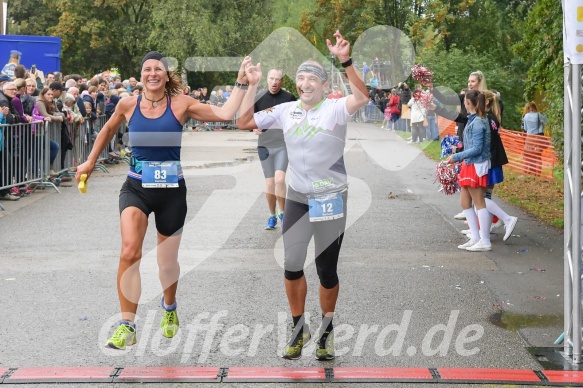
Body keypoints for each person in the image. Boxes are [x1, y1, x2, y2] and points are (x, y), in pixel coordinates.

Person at [74, 51, 257, 350]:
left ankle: (169, 307)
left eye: (158, 69)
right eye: (147, 69)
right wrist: (90, 162)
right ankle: (127, 325)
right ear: (142, 75)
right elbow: (108, 129)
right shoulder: (128, 104)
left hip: (172, 191)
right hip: (136, 187)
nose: (152, 74)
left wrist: (240, 82)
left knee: (166, 262)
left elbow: (226, 115)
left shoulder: (181, 104)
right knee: (129, 251)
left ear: (166, 74)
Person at [238, 30, 369, 361]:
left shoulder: (336, 109)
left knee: (326, 271)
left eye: (313, 78)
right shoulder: (286, 110)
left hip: (330, 197)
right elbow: (242, 122)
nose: (306, 83)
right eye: (301, 78)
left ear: (325, 85)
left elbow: (363, 97)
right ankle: (299, 329)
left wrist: (345, 61)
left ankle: (326, 332)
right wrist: (251, 84)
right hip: (297, 196)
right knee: (292, 265)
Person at [445, 90, 492, 252]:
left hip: (476, 164)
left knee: (479, 203)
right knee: (465, 202)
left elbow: (478, 148)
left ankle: (485, 240)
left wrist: (457, 156)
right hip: (469, 163)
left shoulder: (479, 122)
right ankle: (475, 237)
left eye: (464, 100)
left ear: (468, 103)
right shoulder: (474, 120)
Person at [253, 68, 296, 230]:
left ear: (282, 81)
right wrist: (254, 128)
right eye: (271, 78)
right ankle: (272, 216)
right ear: (267, 79)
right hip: (264, 145)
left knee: (279, 179)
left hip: (282, 145)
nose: (274, 82)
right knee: (270, 183)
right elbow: (249, 117)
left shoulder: (289, 98)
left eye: (277, 79)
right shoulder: (259, 98)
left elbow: (298, 116)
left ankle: (283, 213)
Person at [522, 101, 548, 177]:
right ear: (535, 107)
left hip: (529, 137)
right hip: (537, 137)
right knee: (538, 156)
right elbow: (546, 121)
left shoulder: (525, 116)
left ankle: (526, 172)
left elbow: (525, 128)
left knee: (527, 155)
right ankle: (538, 173)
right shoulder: (538, 115)